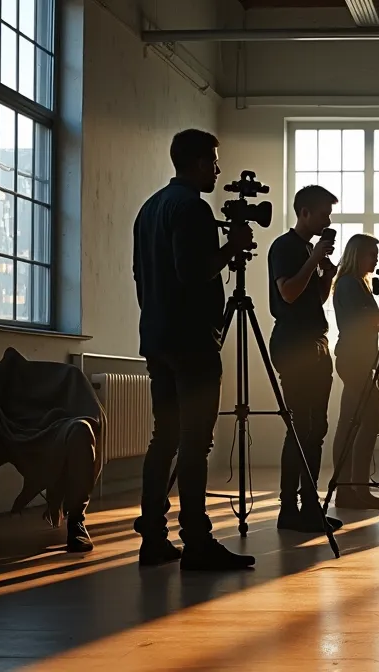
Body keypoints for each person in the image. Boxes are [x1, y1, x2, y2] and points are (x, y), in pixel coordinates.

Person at [132, 128, 255, 571]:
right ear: (199, 162)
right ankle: (197, 542)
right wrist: (232, 248)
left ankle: (152, 537)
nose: (219, 170)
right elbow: (194, 271)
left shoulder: (149, 209)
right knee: (194, 443)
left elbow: (140, 276)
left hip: (158, 337)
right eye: (215, 162)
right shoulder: (193, 208)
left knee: (163, 438)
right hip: (191, 342)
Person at [268, 185, 345, 533]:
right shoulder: (285, 247)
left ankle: (309, 506)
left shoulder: (305, 249)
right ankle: (289, 509)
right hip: (294, 344)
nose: (329, 220)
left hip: (316, 343)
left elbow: (313, 298)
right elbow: (287, 293)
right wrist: (314, 259)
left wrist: (326, 275)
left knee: (317, 428)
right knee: (301, 427)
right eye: (325, 213)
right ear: (305, 213)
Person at [330, 234, 379, 509]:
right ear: (357, 255)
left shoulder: (356, 284)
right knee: (369, 422)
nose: (376, 259)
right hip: (355, 360)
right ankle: (356, 489)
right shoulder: (350, 284)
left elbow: (366, 323)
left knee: (349, 424)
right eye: (372, 254)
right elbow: (362, 322)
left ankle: (348, 490)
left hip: (355, 359)